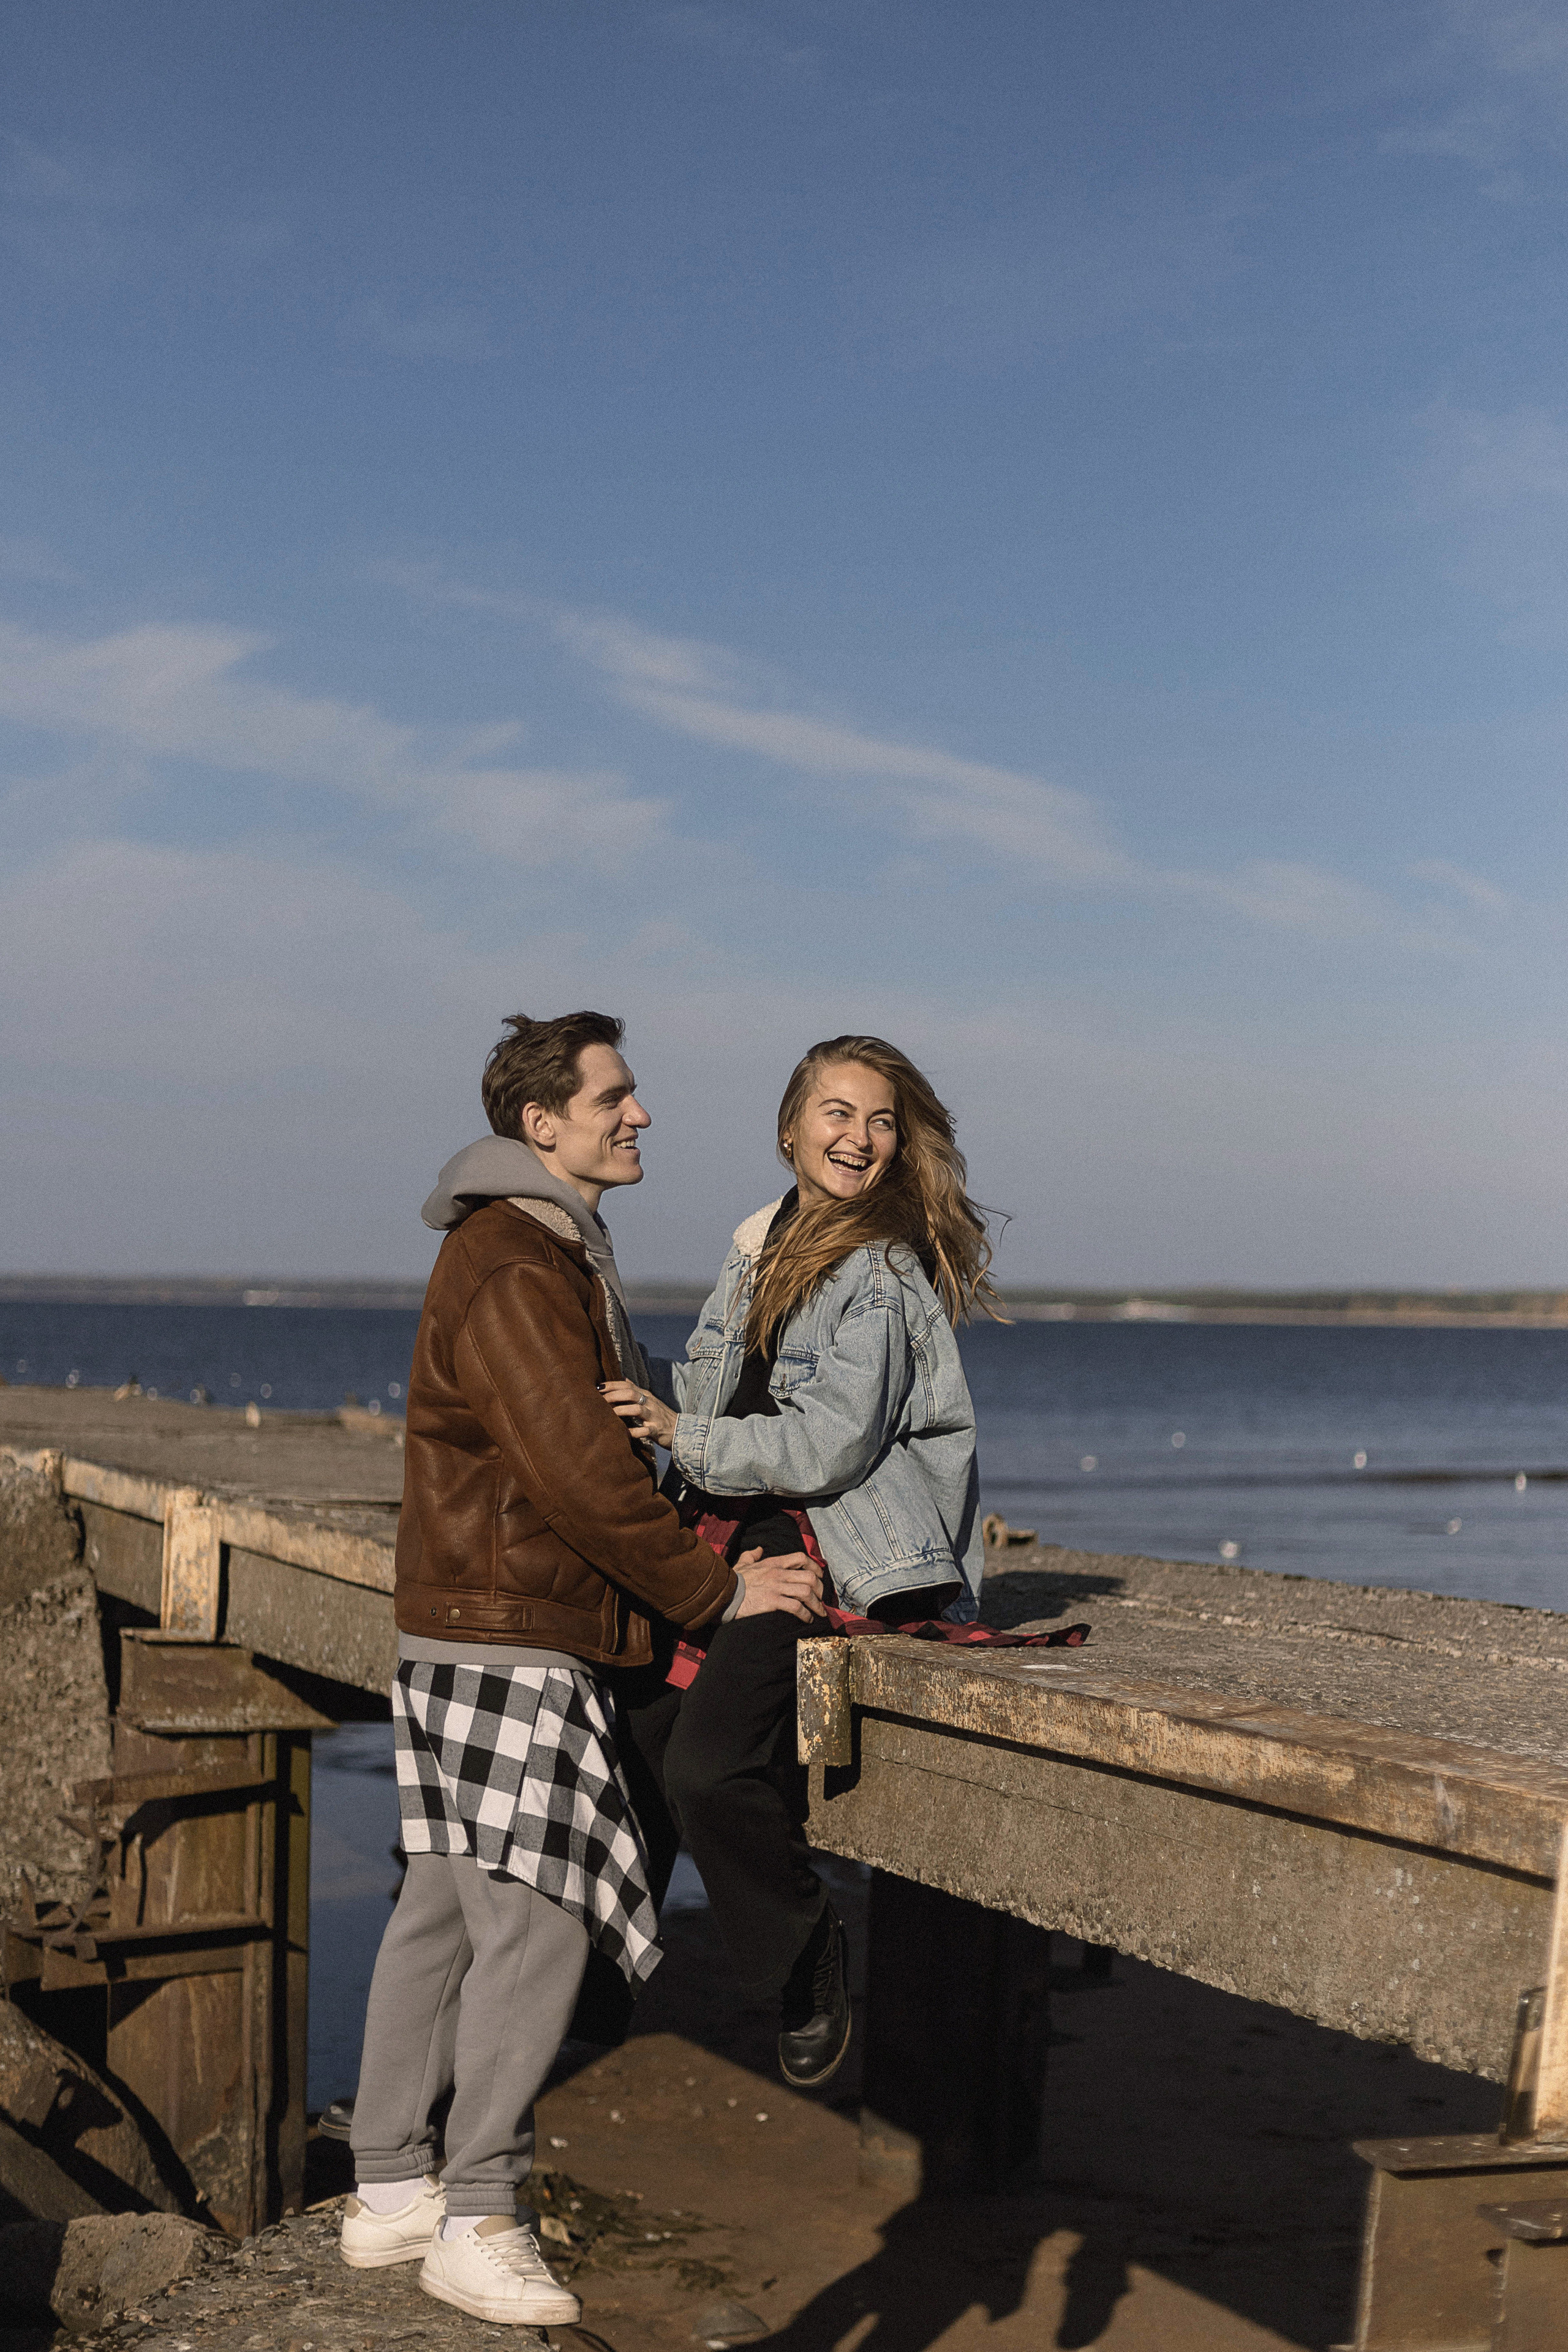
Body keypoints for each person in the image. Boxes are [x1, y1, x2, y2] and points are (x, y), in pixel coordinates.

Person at [341, 1009, 822, 2328]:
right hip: (513, 1627)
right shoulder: (516, 1258)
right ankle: (480, 2212)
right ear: (540, 1123)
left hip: (470, 1618)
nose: (640, 1114)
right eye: (614, 1097)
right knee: (539, 1915)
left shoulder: (537, 1245)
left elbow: (582, 1445)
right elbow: (573, 1472)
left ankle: (389, 2184)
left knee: (446, 1907)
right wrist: (717, 1591)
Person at [602, 1033, 995, 2095]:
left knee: (707, 1765)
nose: (859, 1137)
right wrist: (617, 1376)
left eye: (880, 1121)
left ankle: (805, 1955)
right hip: (737, 1519)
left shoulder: (883, 1270)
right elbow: (713, 1384)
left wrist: (679, 1434)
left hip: (835, 1540)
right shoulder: (760, 1241)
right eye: (838, 1113)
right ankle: (606, 1963)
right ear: (790, 1130)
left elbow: (830, 1445)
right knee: (641, 1722)